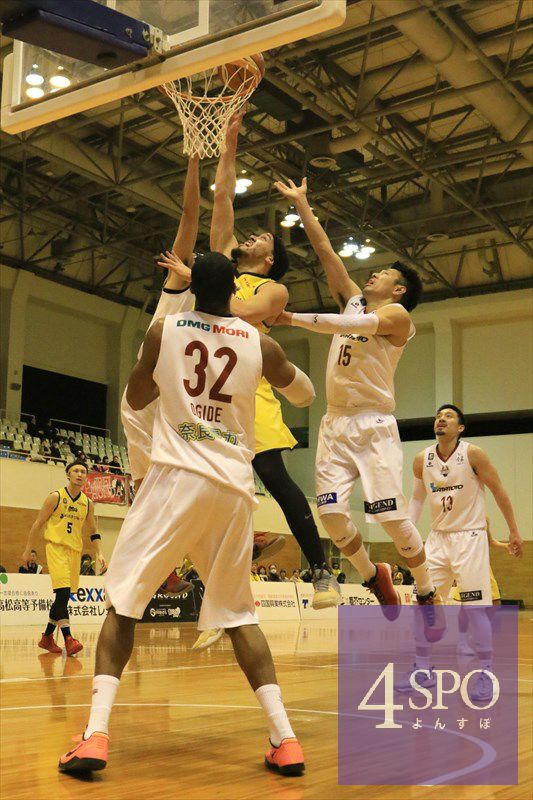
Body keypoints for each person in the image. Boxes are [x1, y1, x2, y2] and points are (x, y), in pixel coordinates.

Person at [58, 252, 313, 776]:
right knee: (239, 615)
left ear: (193, 286)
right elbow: (305, 394)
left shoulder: (166, 330)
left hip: (176, 478)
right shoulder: (259, 342)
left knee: (123, 604)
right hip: (234, 487)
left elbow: (136, 397)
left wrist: (170, 382)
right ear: (235, 292)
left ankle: (95, 735)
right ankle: (285, 740)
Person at [274, 177, 439, 627]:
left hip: (373, 424)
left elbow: (344, 326)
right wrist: (303, 205)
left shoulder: (397, 316)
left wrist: (290, 317)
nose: (374, 274)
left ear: (399, 289)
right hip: (335, 423)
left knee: (390, 518)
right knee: (329, 513)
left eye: (385, 274)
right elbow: (326, 251)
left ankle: (426, 590)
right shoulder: (354, 304)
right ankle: (373, 576)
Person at [207, 111, 339, 608]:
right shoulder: (223, 263)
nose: (253, 235)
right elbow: (222, 198)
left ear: (269, 259)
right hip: (208, 390)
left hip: (249, 388)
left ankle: (321, 570)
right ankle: (222, 579)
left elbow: (242, 312)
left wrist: (204, 286)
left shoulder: (272, 289)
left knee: (277, 478)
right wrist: (230, 140)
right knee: (209, 485)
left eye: (263, 238)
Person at [404, 404, 523, 699]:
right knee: (424, 606)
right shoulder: (421, 459)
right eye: (438, 416)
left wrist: (513, 530)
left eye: (448, 416)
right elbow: (417, 500)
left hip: (469, 537)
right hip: (437, 540)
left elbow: (498, 490)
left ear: (460, 428)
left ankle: (485, 674)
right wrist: (406, 533)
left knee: (475, 609)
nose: (441, 419)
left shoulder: (473, 454)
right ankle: (422, 669)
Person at [22, 460, 106, 655]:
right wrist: (28, 550)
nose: (80, 474)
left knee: (63, 597)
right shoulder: (55, 497)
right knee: (62, 594)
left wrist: (100, 553)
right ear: (68, 474)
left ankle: (47, 637)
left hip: (75, 552)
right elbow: (38, 524)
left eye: (83, 471)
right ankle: (69, 638)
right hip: (56, 548)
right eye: (76, 471)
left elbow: (93, 531)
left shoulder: (87, 503)